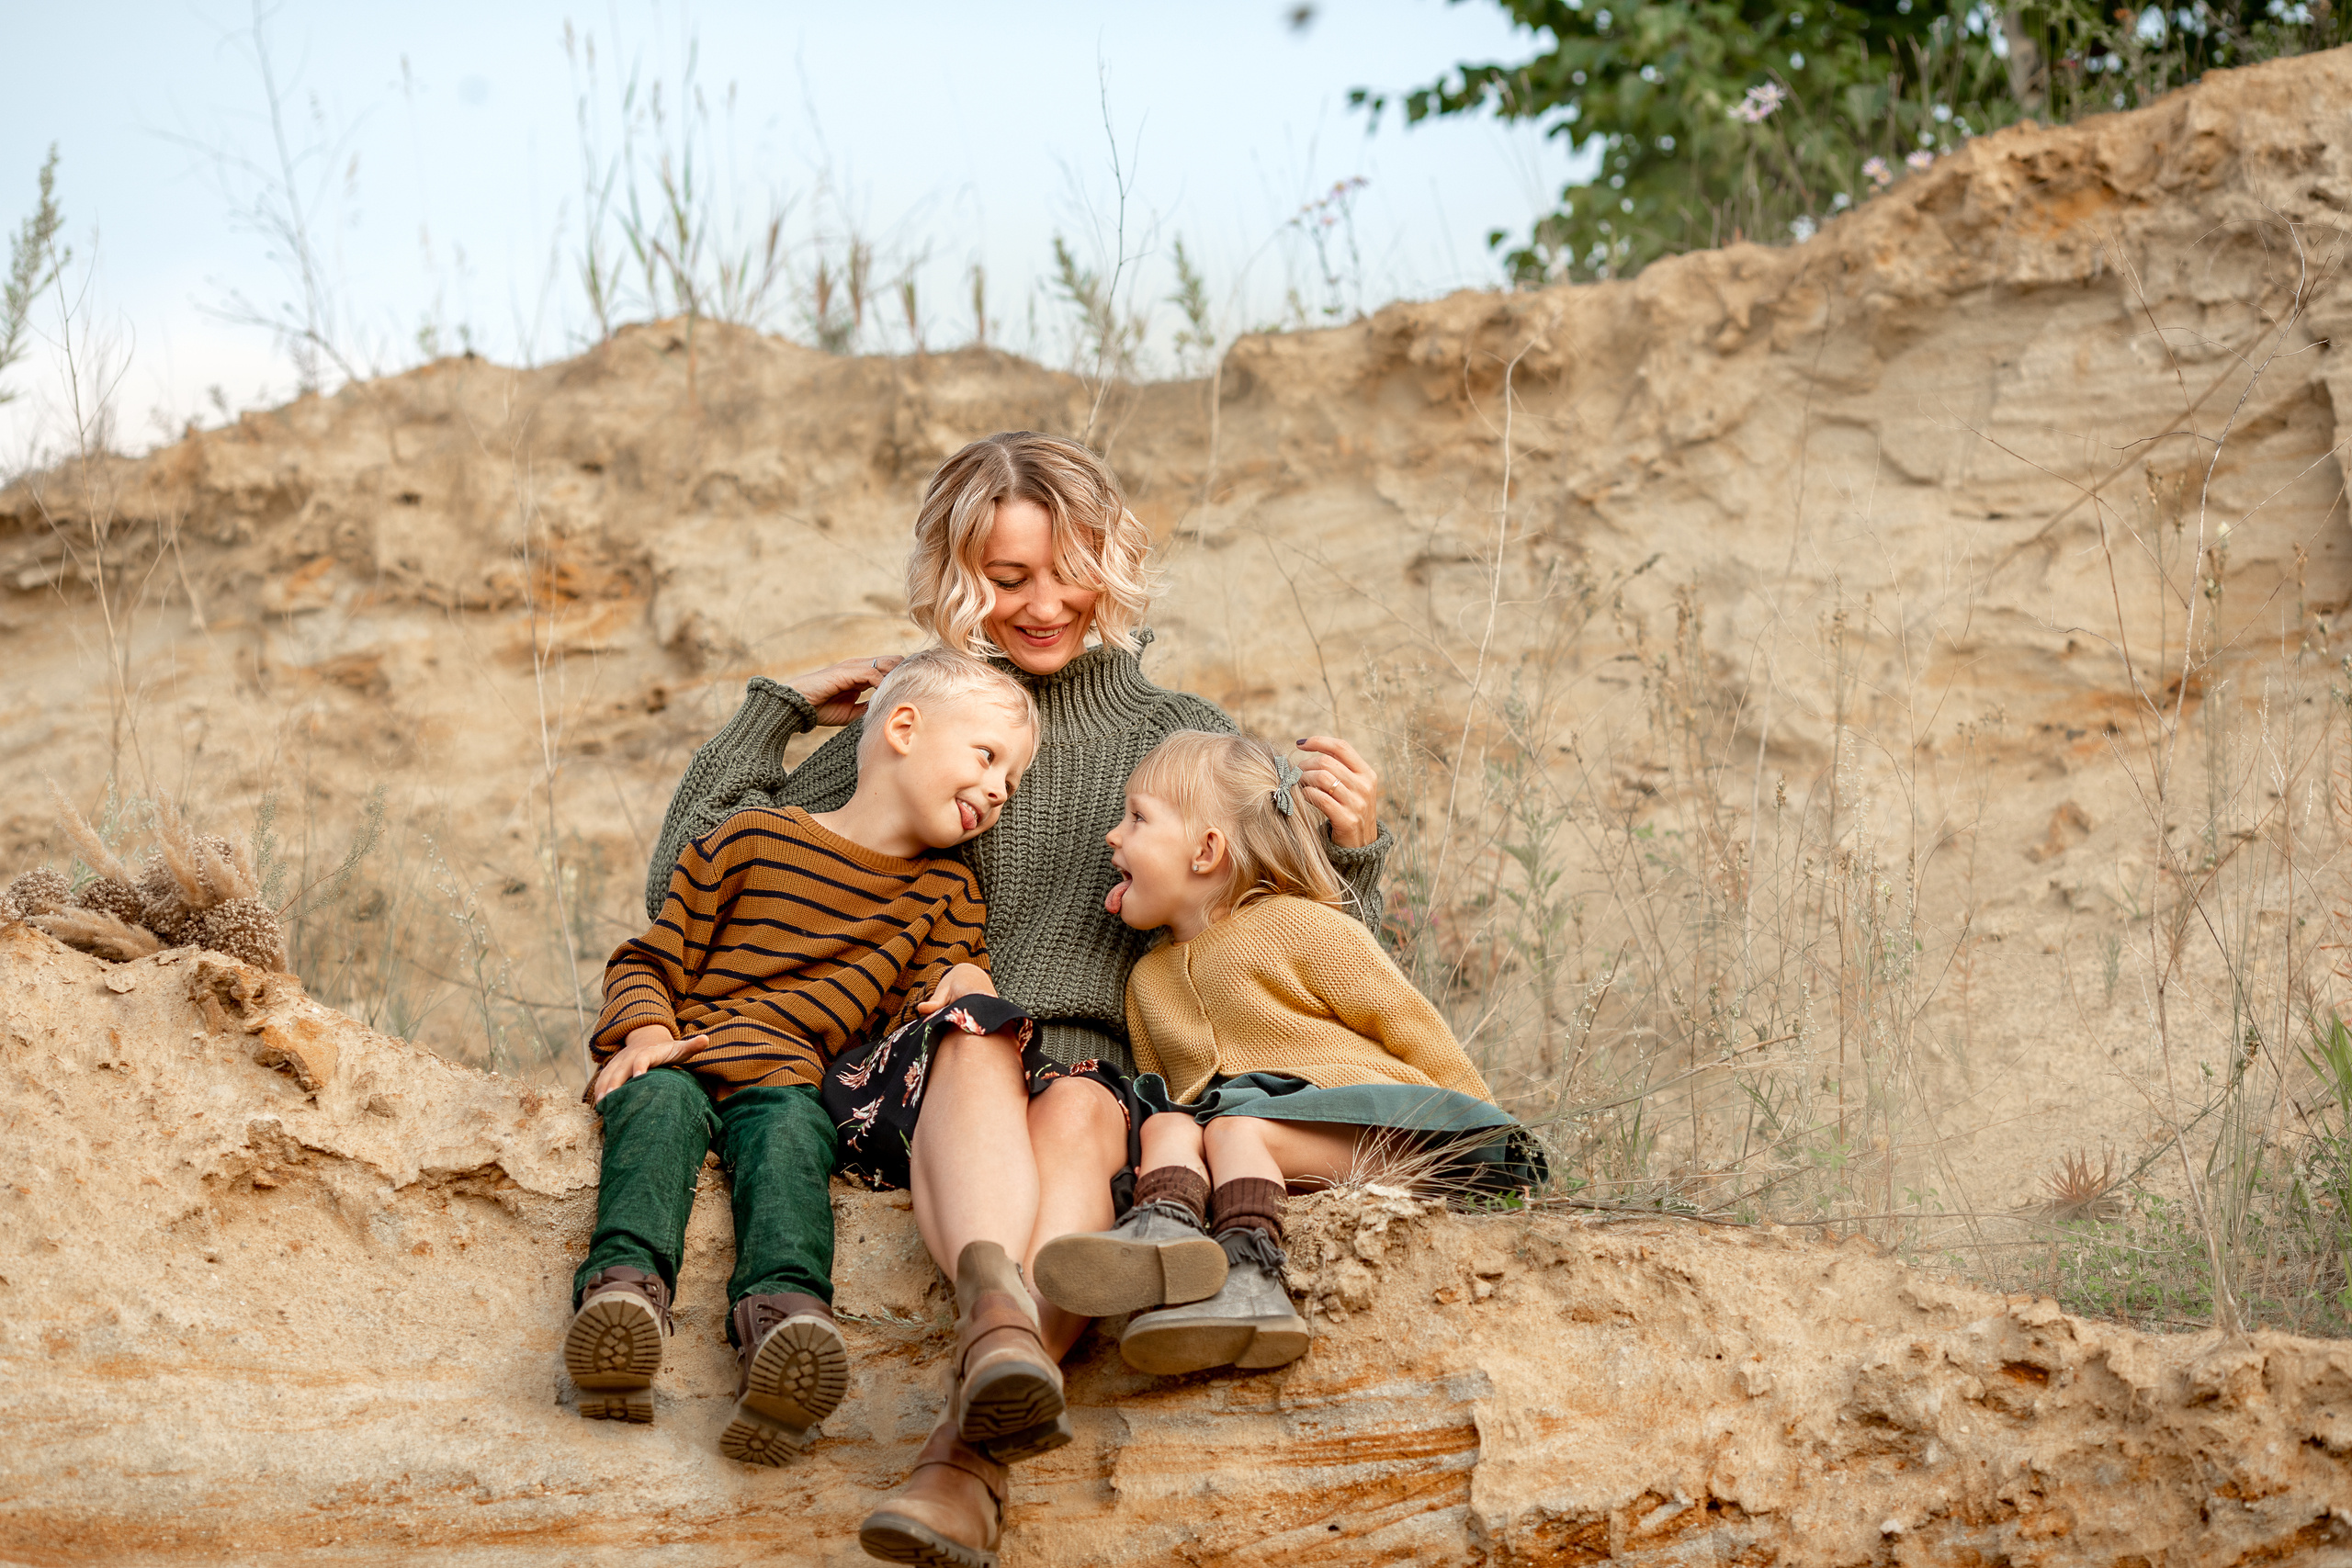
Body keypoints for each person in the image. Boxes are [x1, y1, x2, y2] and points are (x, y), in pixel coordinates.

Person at [642, 432, 1392, 1568]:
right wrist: (775, 714)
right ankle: (995, 1315)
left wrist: (1356, 853)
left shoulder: (1177, 741)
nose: (1043, 604)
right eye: (1004, 581)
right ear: (958, 581)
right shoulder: (940, 717)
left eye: (1068, 571)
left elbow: (1316, 972)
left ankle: (964, 1453)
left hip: (1088, 1065)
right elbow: (694, 883)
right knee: (977, 1033)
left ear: (1114, 563)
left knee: (1088, 1106)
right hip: (930, 1061)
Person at [564, 648, 1038, 1470]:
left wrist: (969, 975)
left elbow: (942, 990)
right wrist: (642, 1036)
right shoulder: (752, 839)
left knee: (792, 1135)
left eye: (1014, 781)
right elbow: (647, 957)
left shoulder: (944, 895)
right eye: (987, 757)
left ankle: (784, 1323)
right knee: (657, 1108)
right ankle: (622, 1296)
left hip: (787, 1075)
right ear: (901, 727)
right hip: (686, 1050)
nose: (1000, 789)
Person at [1032, 730, 1542, 1377]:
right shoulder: (1147, 980)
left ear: (1206, 849)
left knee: (1237, 1129)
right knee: (1165, 1121)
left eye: (1137, 817)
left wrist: (1486, 1134)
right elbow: (1164, 1091)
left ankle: (1249, 1278)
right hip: (1262, 1151)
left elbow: (1410, 1024)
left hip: (1391, 1144)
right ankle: (1163, 1239)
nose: (1113, 835)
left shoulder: (1301, 923)